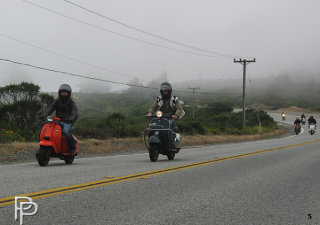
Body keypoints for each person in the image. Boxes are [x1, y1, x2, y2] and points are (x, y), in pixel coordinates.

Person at [42, 84, 78, 152]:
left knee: (66, 132)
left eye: (65, 92)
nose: (64, 94)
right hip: (57, 121)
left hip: (67, 122)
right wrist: (45, 115)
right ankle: (53, 146)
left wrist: (71, 118)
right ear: (59, 93)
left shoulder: (71, 103)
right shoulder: (57, 102)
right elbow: (50, 108)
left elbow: (75, 113)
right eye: (62, 92)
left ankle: (73, 146)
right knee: (48, 129)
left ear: (69, 93)